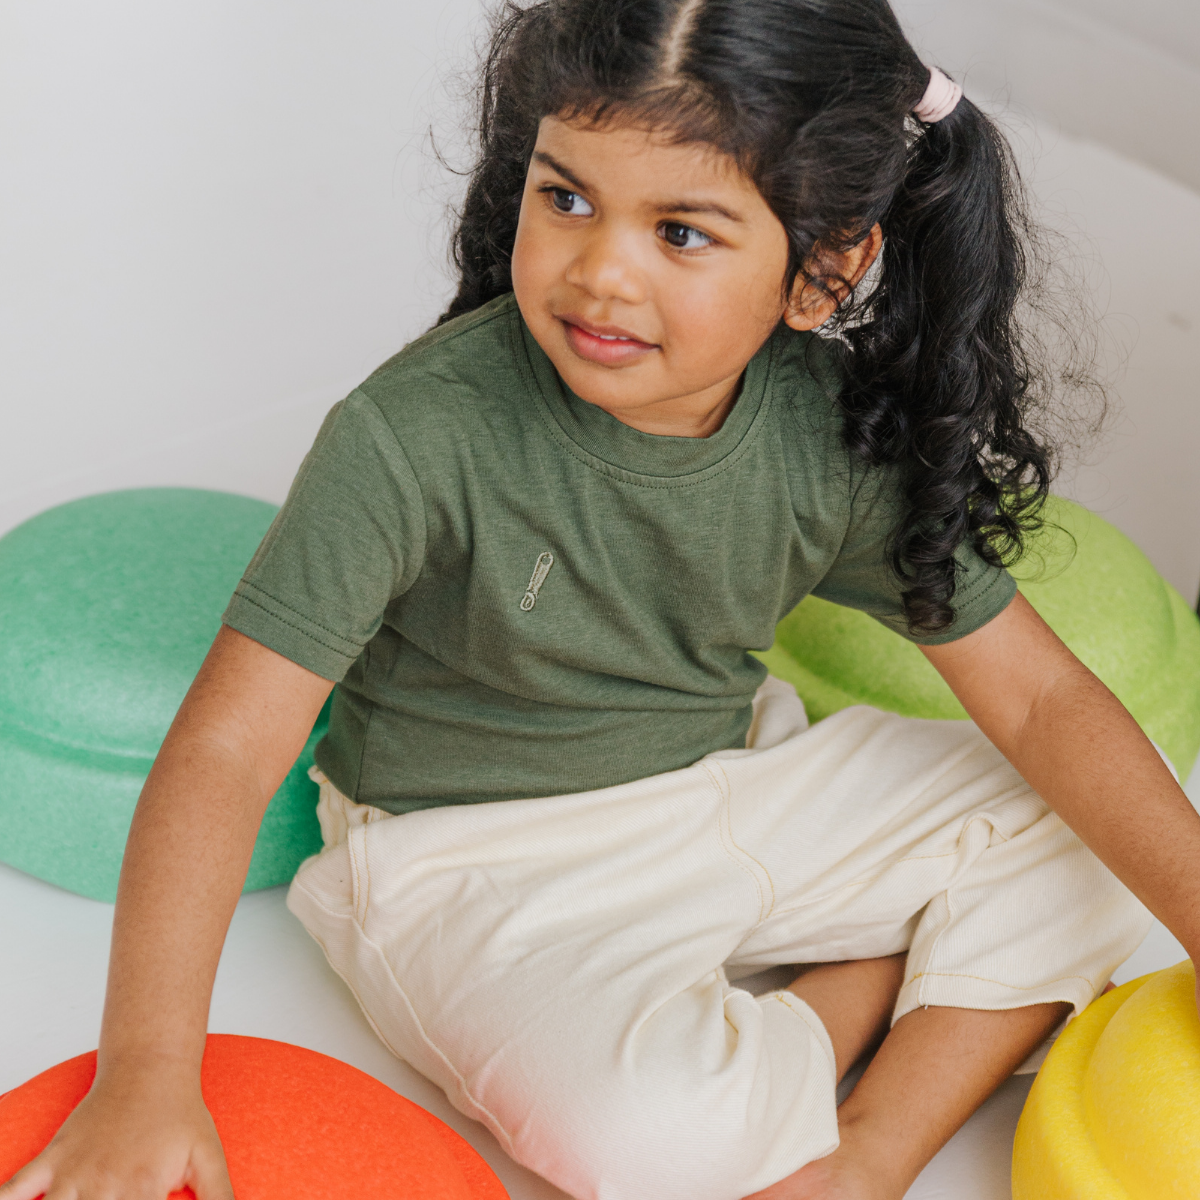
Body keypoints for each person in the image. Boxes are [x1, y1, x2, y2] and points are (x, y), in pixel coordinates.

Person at [4, 1, 1198, 1198]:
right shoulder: (412, 434)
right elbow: (226, 748)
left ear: (822, 272)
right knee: (658, 1144)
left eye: (681, 231)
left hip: (732, 782)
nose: (601, 274)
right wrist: (144, 1073)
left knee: (1110, 811)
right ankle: (864, 984)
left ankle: (872, 1149)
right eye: (567, 198)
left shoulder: (826, 431)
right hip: (468, 866)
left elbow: (1040, 705)